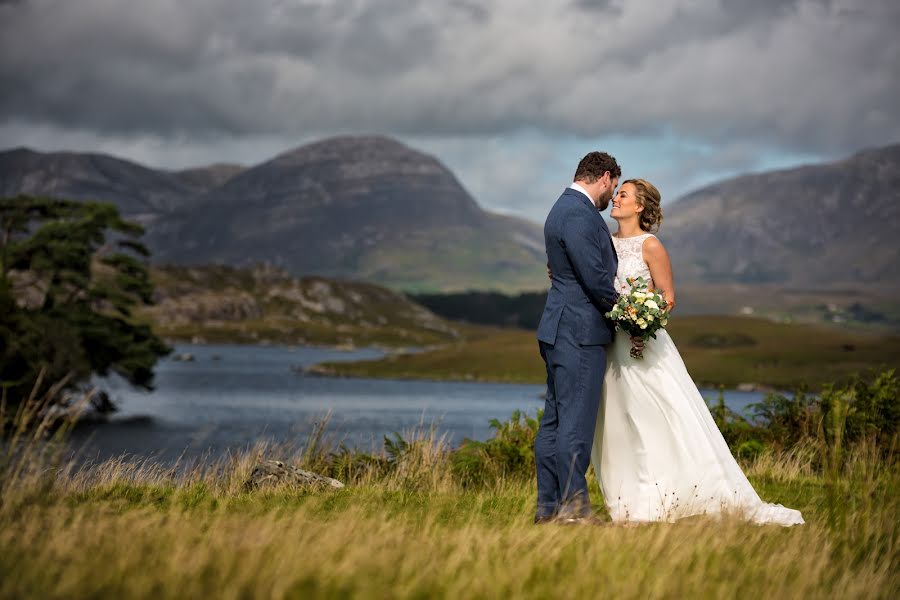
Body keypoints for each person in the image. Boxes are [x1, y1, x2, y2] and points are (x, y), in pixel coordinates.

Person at [591, 178, 804, 526]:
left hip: (643, 345)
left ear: (639, 206)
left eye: (623, 195)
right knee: (618, 422)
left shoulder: (651, 246)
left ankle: (671, 496)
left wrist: (642, 321)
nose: (615, 199)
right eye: (616, 194)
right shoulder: (604, 242)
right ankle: (629, 502)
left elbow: (668, 296)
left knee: (659, 417)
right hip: (612, 346)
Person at [534, 151, 620, 524]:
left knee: (554, 420)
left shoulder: (560, 208)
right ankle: (574, 509)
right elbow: (596, 279)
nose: (610, 197)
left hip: (559, 326)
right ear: (603, 177)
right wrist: (629, 315)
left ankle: (548, 509)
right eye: (612, 187)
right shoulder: (578, 213)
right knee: (574, 422)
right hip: (579, 331)